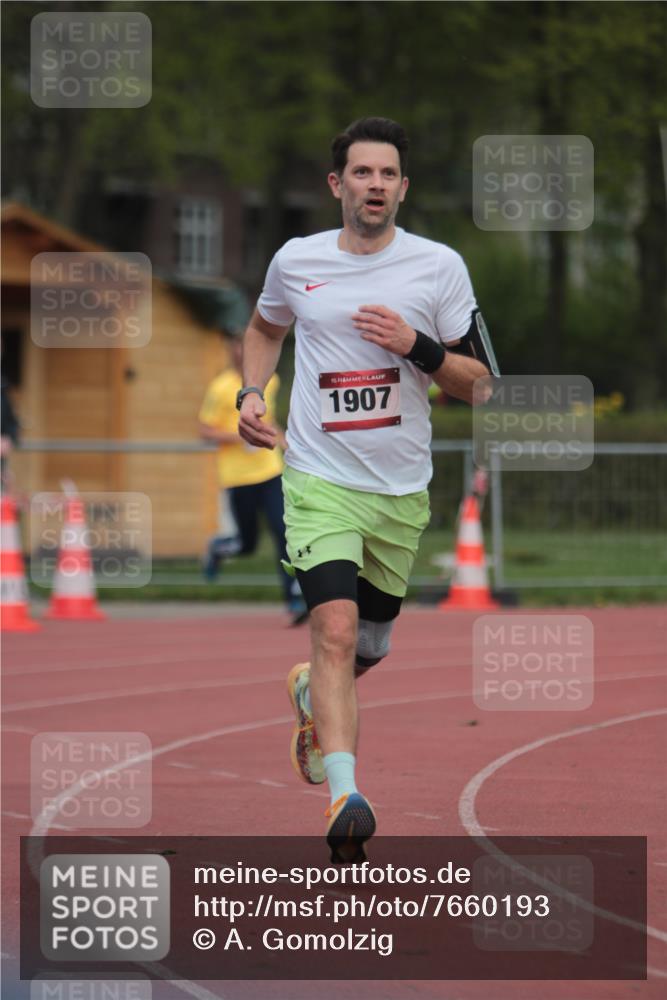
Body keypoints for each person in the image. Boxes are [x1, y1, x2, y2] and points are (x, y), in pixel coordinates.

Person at [237, 117, 495, 861]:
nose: (374, 185)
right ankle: (345, 797)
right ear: (337, 184)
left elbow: (482, 385)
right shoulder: (296, 260)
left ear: (402, 188)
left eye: (386, 175)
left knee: (370, 644)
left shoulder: (438, 268)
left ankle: (310, 694)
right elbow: (264, 329)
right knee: (335, 630)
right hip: (318, 478)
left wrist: (417, 346)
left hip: (399, 488)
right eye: (361, 173)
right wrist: (251, 395)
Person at [198, 329, 308, 625]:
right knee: (248, 544)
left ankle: (295, 597)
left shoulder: (270, 381)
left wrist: (285, 441)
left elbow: (269, 420)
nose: (243, 352)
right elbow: (205, 430)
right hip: (238, 477)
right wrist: (241, 435)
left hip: (269, 470)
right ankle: (218, 549)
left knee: (283, 532)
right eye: (238, 347)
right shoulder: (221, 387)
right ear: (232, 350)